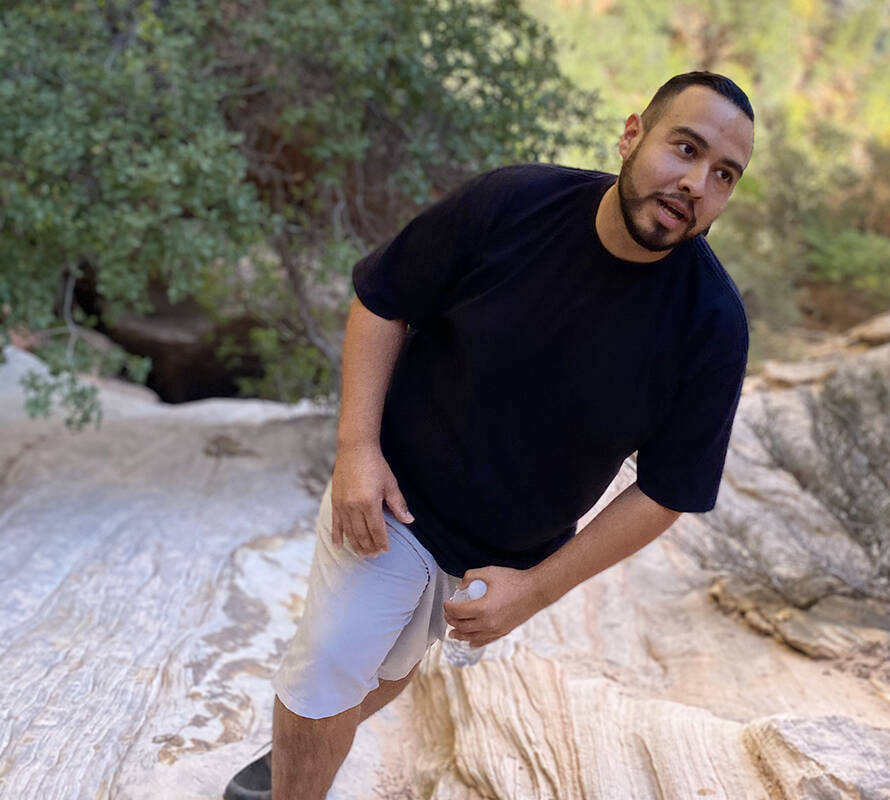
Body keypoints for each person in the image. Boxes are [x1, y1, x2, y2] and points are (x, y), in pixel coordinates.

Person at [224, 71, 755, 800]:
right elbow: (383, 299)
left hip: (502, 554)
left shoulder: (713, 326)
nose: (696, 182)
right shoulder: (514, 203)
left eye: (723, 174)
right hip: (394, 498)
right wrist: (357, 449)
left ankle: (297, 748)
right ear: (632, 135)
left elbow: (667, 491)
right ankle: (296, 768)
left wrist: (535, 588)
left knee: (386, 668)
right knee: (332, 662)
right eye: (684, 148)